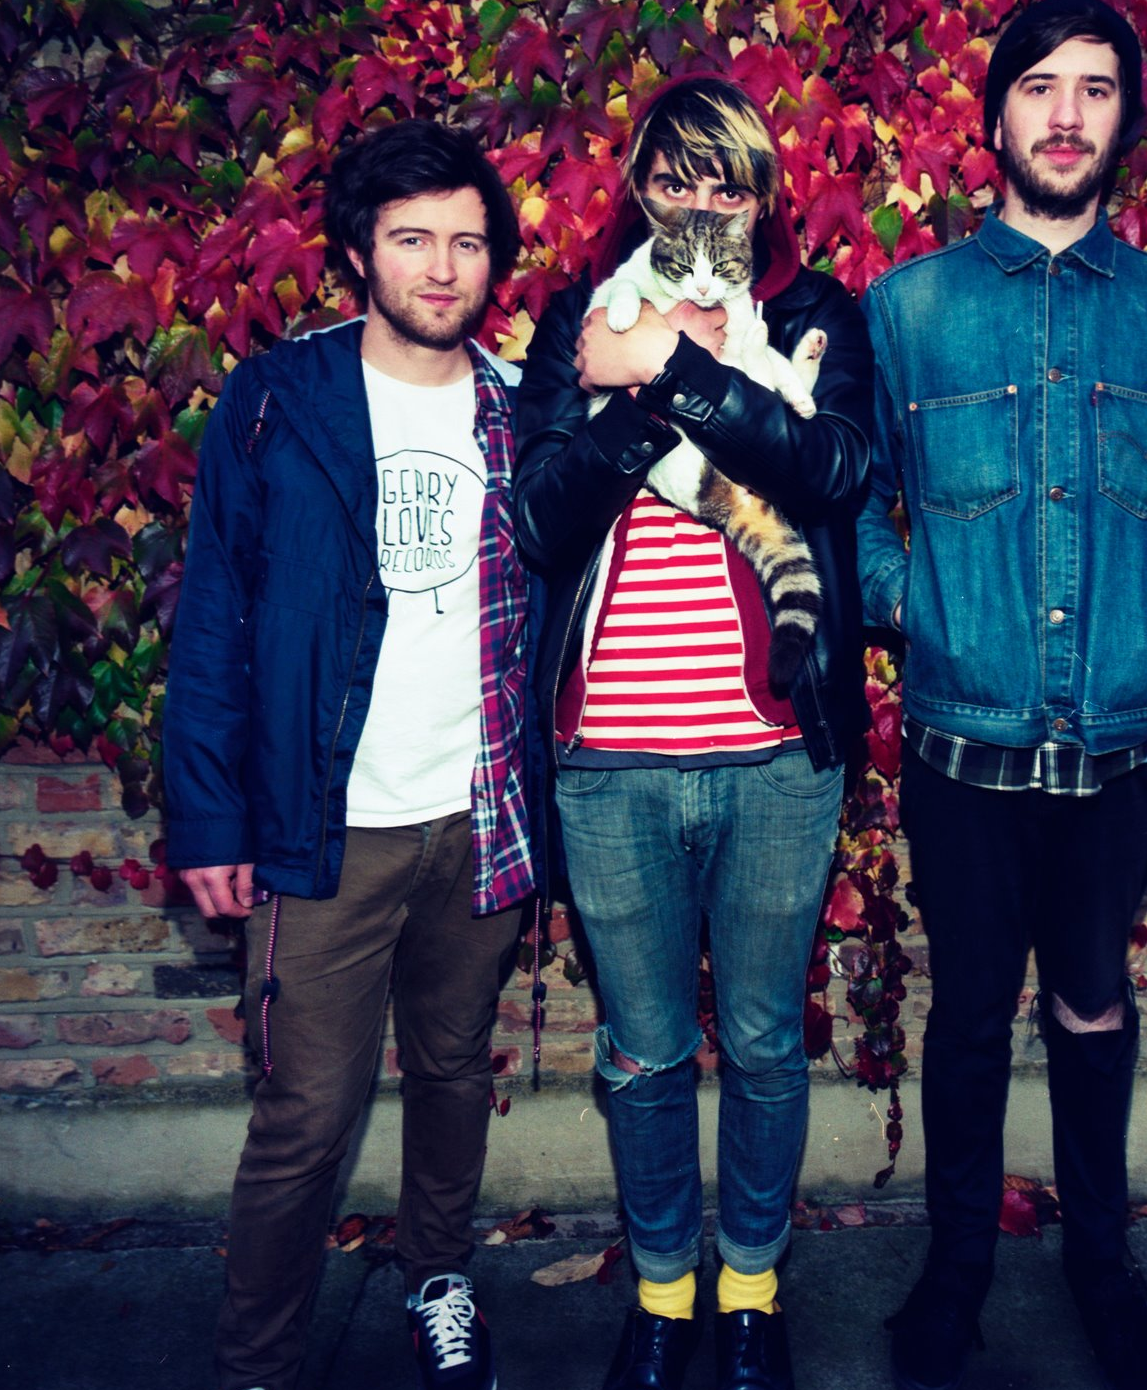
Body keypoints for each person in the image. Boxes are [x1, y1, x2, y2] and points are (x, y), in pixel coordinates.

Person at [857, 0, 1147, 1390]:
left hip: (1116, 750)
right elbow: (850, 494)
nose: (1067, 113)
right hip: (960, 748)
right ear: (996, 115)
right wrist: (915, 608)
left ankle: (1101, 1266)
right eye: (1039, 85)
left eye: (1094, 87)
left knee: (1092, 1002)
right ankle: (954, 1274)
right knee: (969, 1014)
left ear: (1123, 118)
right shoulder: (907, 310)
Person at [165, 118, 540, 1390]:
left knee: (452, 1074)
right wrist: (208, 817)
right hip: (326, 825)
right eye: (412, 239)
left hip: (478, 819)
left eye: (467, 243)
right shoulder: (280, 398)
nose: (442, 267)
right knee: (306, 1117)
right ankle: (258, 1364)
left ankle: (439, 1277)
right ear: (358, 253)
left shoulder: (517, 406)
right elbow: (215, 612)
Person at [512, 77, 873, 1390]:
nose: (700, 202)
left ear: (762, 194)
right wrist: (630, 397)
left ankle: (751, 1295)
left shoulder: (818, 316)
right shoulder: (578, 319)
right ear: (640, 189)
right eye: (674, 178)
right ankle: (664, 1297)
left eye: (726, 180)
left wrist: (677, 371)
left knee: (767, 1044)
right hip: (610, 760)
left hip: (776, 758)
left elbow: (836, 473)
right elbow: (538, 519)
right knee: (646, 1053)